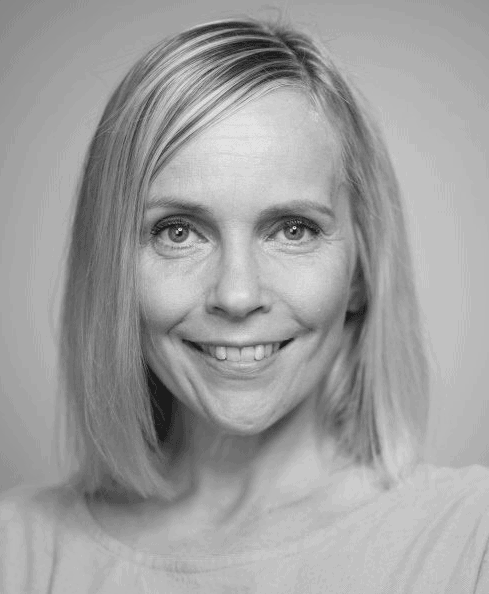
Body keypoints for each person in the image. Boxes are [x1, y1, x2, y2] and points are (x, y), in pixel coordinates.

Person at [1, 16, 488, 593]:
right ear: (113, 271)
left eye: (293, 229)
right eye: (178, 232)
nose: (237, 295)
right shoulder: (16, 549)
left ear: (361, 269)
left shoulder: (470, 542)